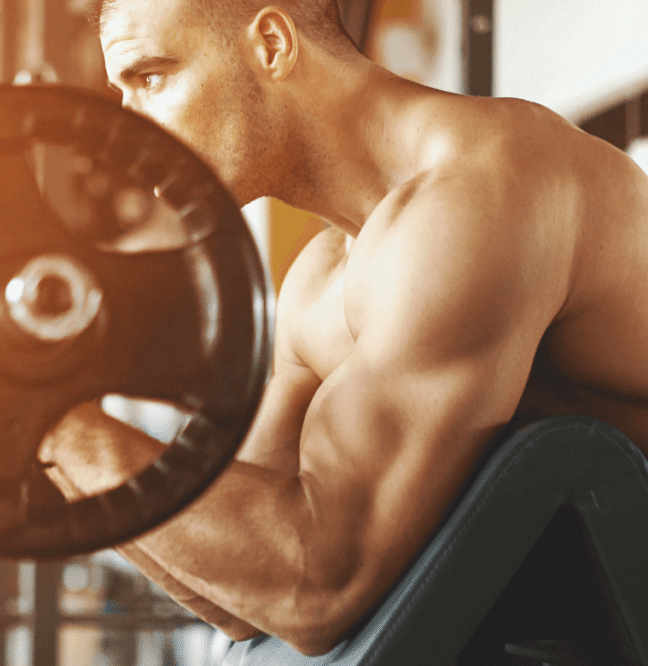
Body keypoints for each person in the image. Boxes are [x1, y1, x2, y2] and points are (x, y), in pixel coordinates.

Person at [36, 0, 648, 656]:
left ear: (272, 43)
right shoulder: (319, 282)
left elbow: (317, 584)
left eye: (152, 77)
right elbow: (242, 598)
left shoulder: (479, 195)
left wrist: (65, 430)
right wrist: (49, 431)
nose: (132, 130)